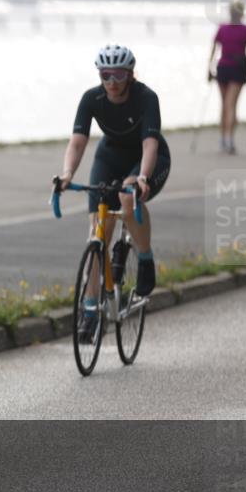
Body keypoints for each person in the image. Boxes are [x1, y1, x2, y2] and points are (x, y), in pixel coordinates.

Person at [57, 45, 172, 341]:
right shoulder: (91, 99)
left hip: (149, 159)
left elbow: (150, 144)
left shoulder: (146, 98)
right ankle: (91, 308)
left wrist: (142, 178)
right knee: (98, 233)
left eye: (118, 74)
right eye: (105, 74)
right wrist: (68, 174)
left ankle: (144, 259)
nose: (111, 81)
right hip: (108, 158)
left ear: (130, 75)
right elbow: (78, 142)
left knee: (126, 196)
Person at [208, 0, 246, 154]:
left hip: (222, 67)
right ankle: (229, 139)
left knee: (224, 104)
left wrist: (209, 67)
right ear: (242, 13)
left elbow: (214, 48)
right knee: (231, 105)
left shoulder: (222, 28)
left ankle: (223, 139)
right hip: (237, 69)